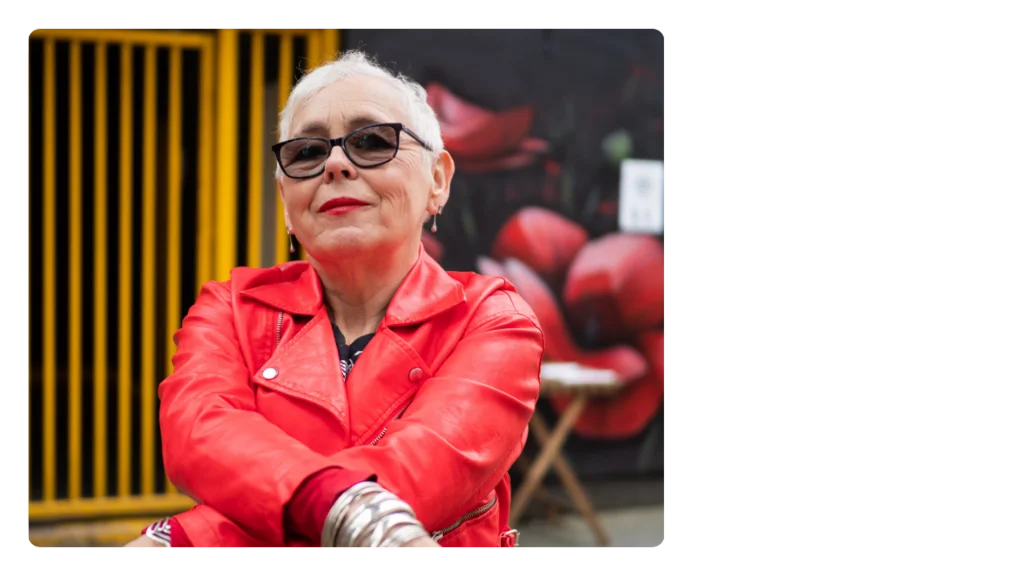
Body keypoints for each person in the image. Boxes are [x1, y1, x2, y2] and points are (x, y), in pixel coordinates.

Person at [123, 49, 543, 549]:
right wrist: (343, 508)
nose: (337, 165)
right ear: (285, 203)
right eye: (306, 153)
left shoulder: (492, 319)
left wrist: (194, 536)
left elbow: (420, 478)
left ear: (437, 180)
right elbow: (197, 436)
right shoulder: (232, 309)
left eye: (371, 142)